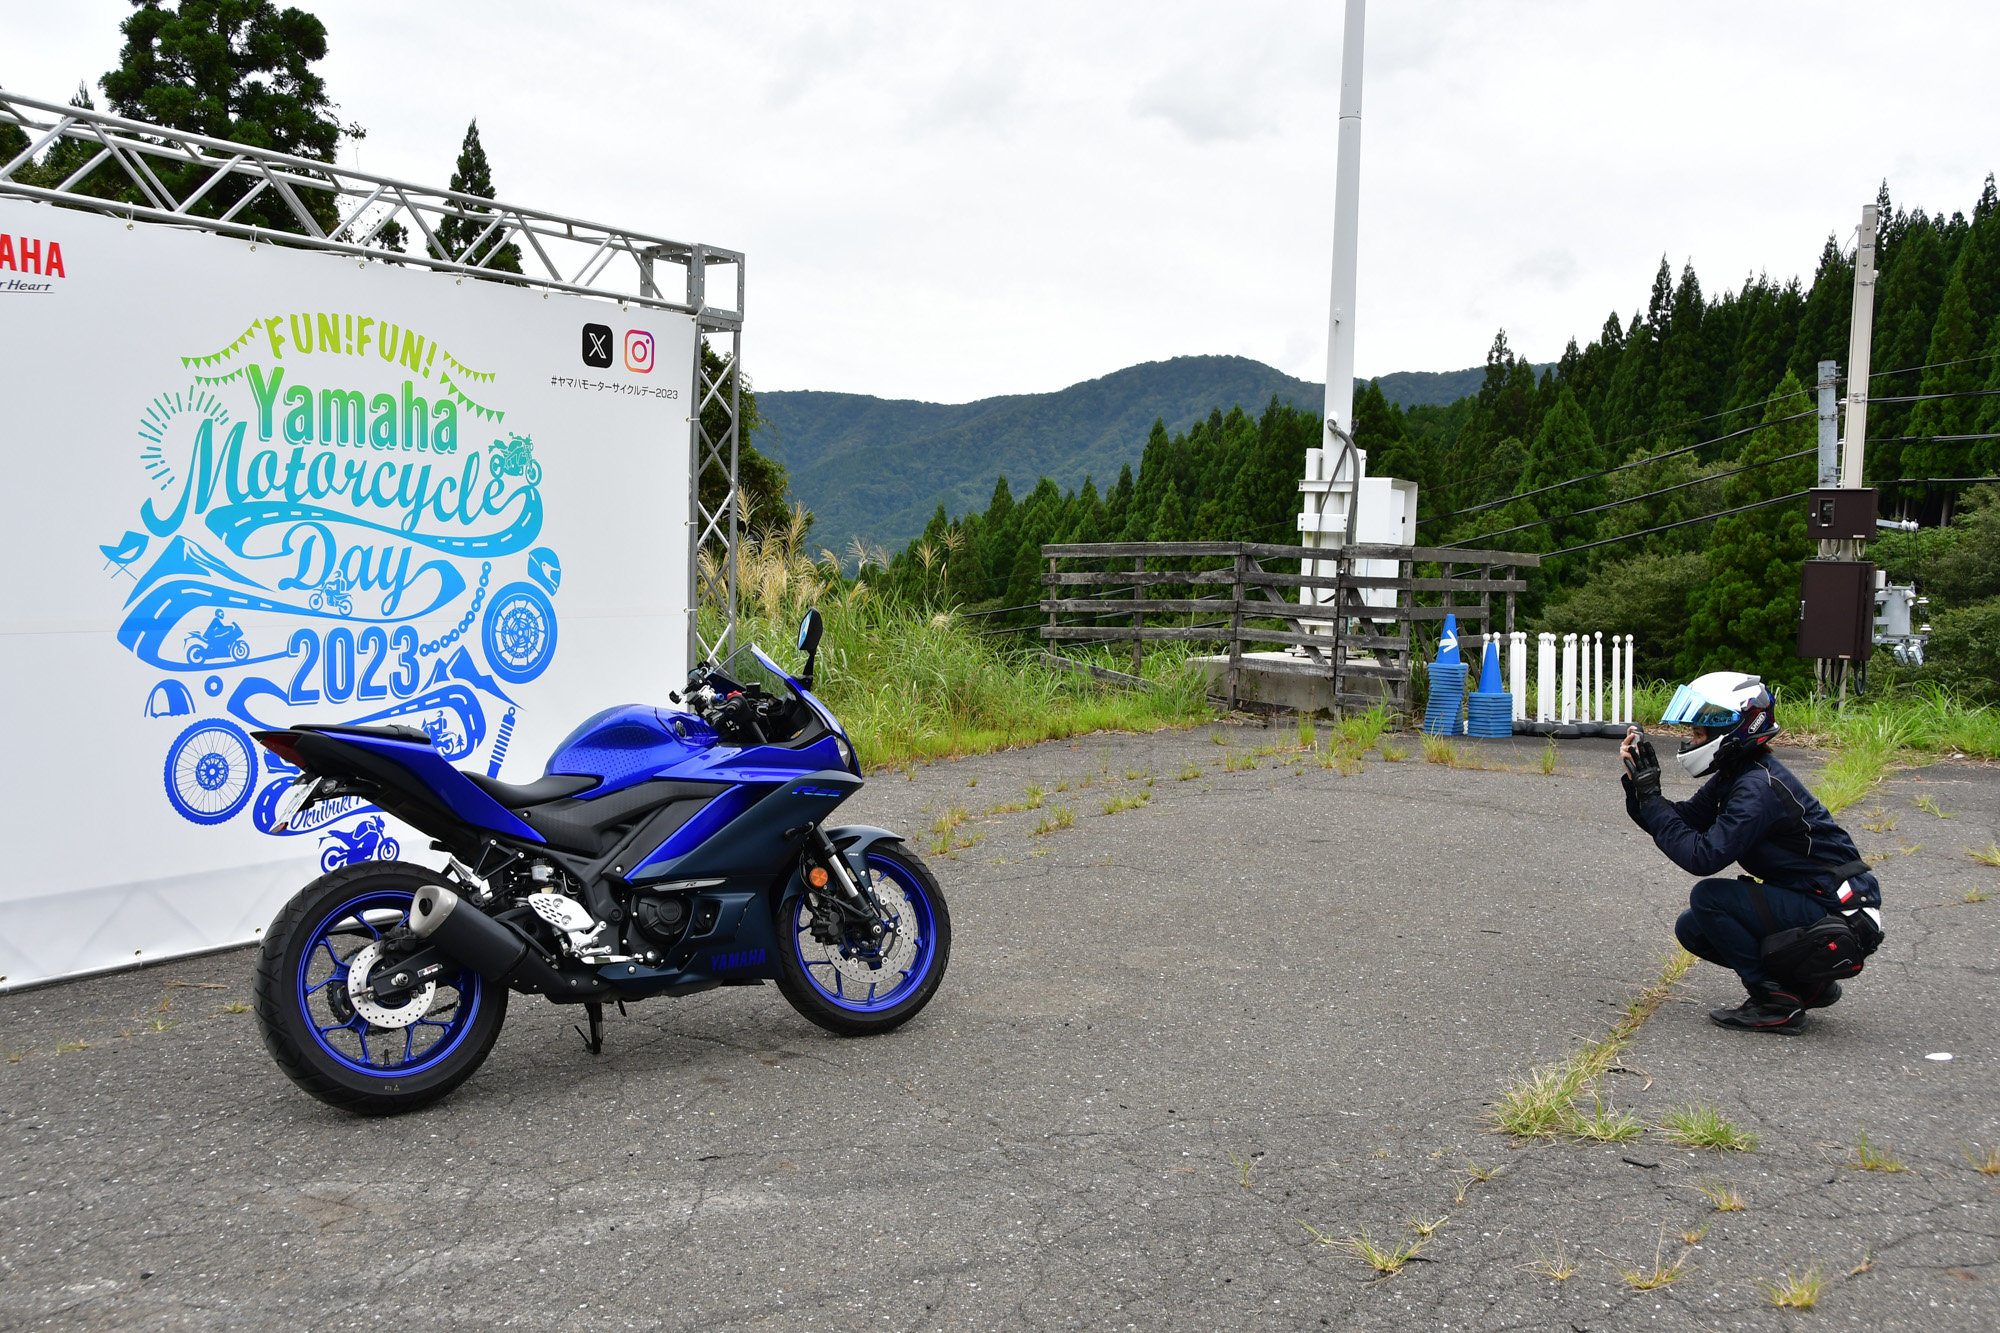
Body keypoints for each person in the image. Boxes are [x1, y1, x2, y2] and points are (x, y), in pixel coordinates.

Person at [1620, 671, 1883, 1033]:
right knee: (1694, 928)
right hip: (1818, 903)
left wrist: (1650, 799)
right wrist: (1641, 790)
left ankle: (1774, 1000)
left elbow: (1703, 857)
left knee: (1708, 897)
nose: (1691, 740)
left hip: (1842, 913)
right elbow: (1687, 820)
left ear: (1734, 728)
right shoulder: (1739, 773)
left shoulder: (1758, 787)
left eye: (1698, 732)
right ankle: (1809, 984)